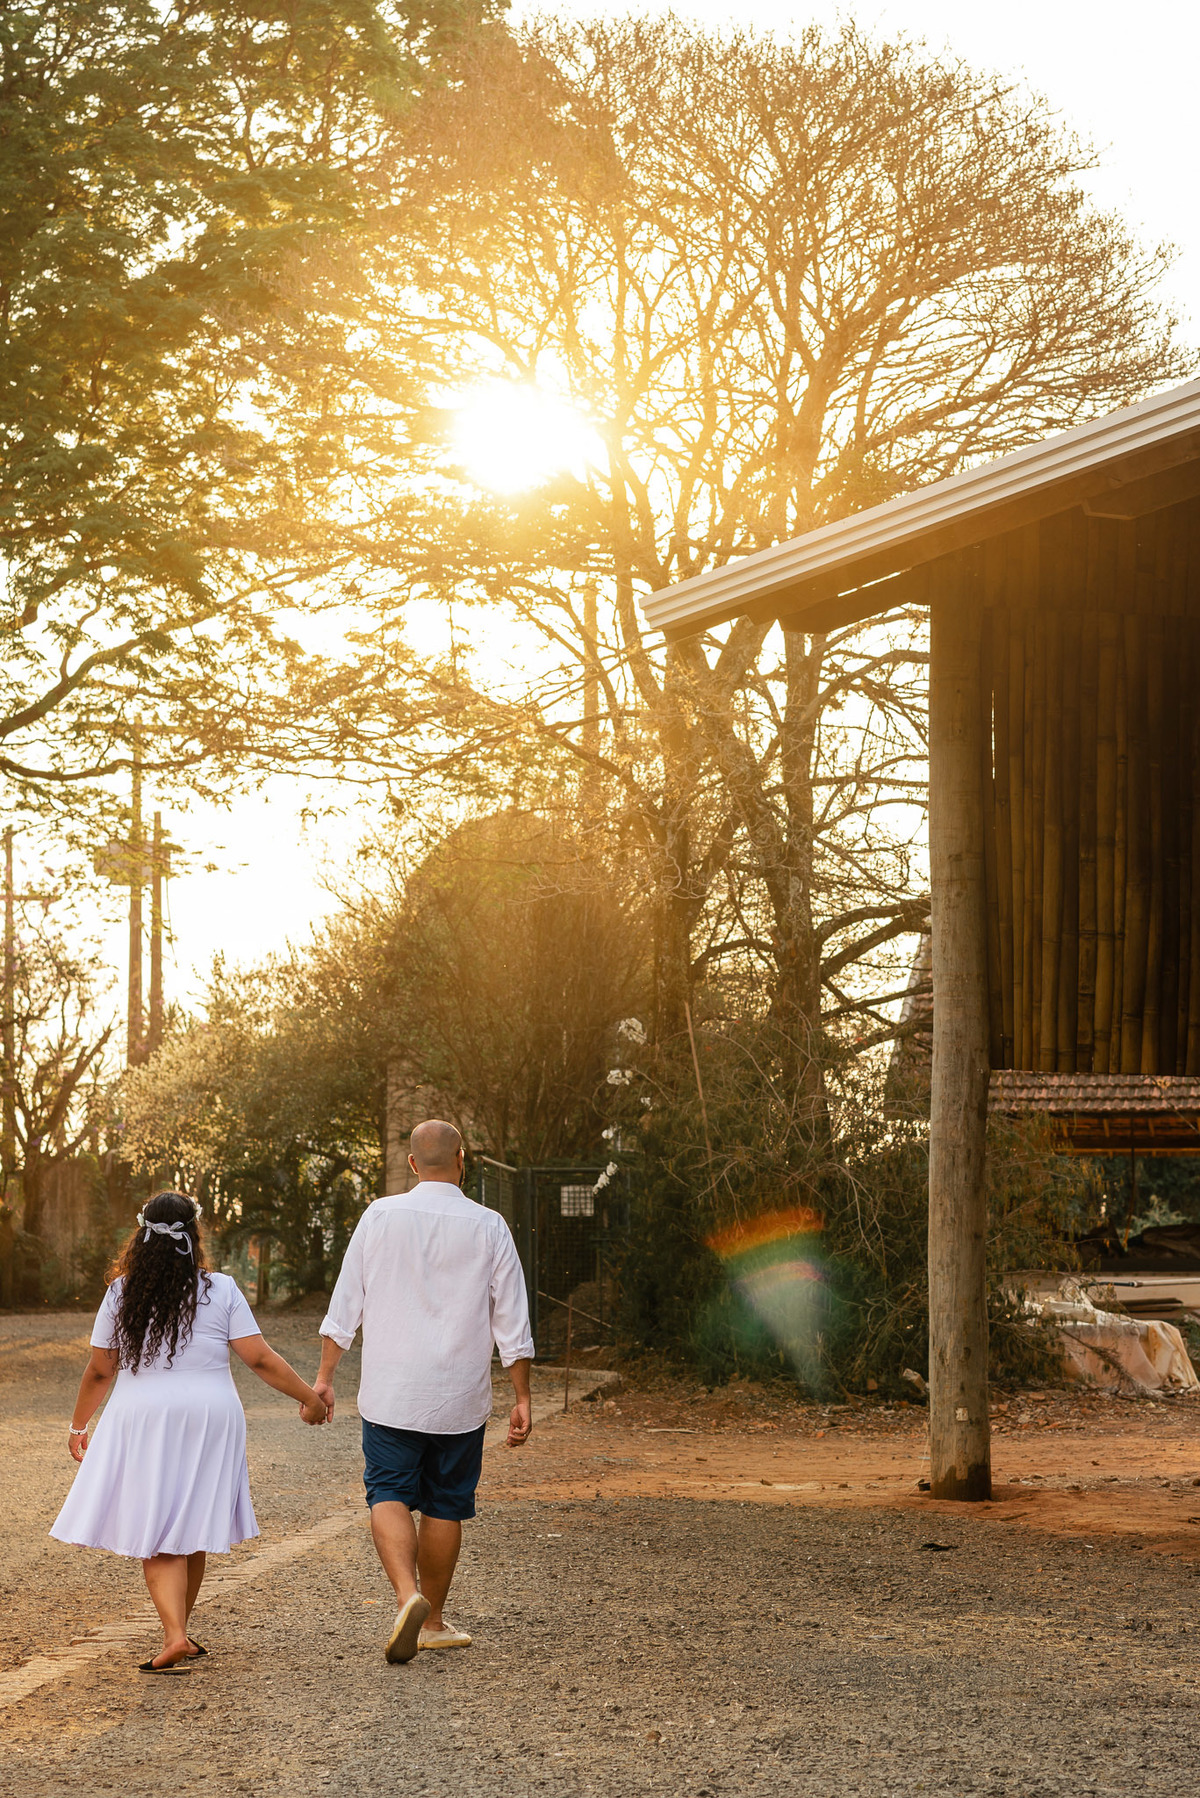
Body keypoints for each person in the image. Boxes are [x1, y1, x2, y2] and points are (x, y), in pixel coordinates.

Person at [51, 1190, 328, 1673]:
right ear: (194, 1236)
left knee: (155, 1527)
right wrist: (310, 1397)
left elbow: (100, 1369)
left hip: (144, 1415)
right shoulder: (221, 1289)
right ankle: (178, 1631)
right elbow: (260, 1358)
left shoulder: (122, 1292)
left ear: (141, 1237)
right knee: (191, 1522)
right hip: (212, 1415)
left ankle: (175, 1635)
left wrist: (79, 1424)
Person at [314, 1119, 534, 1664]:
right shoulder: (490, 1226)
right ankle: (432, 1621)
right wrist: (523, 1397)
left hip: (392, 1391)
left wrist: (324, 1378)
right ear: (462, 1160)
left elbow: (345, 1305)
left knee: (387, 1492)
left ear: (412, 1164)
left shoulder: (379, 1216)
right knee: (445, 1503)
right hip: (459, 1397)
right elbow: (512, 1320)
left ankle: (405, 1596)